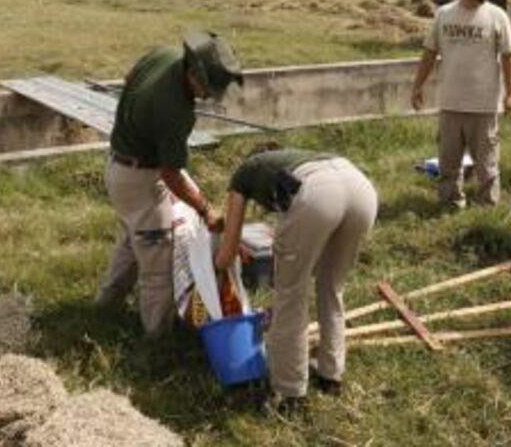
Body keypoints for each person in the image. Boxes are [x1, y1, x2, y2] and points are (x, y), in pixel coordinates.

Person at [96, 31, 244, 338]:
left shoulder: (164, 55)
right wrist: (206, 209)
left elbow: (130, 76)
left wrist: (140, 118)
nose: (207, 96)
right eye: (207, 87)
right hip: (140, 178)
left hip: (120, 165)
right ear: (193, 73)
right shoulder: (176, 111)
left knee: (132, 238)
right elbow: (171, 174)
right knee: (158, 260)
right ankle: (157, 339)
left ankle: (104, 307)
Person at [214, 146, 377, 410]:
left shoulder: (244, 173)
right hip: (361, 188)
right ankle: (331, 375)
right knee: (332, 287)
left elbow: (229, 248)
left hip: (320, 193)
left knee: (290, 294)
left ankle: (290, 393)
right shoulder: (299, 158)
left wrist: (216, 270)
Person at [411, 0, 511, 208]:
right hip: (451, 102)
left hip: (484, 104)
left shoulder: (497, 16)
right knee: (448, 162)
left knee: (487, 165)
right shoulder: (444, 14)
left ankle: (486, 207)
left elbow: (509, 58)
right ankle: (450, 202)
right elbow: (429, 54)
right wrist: (417, 87)